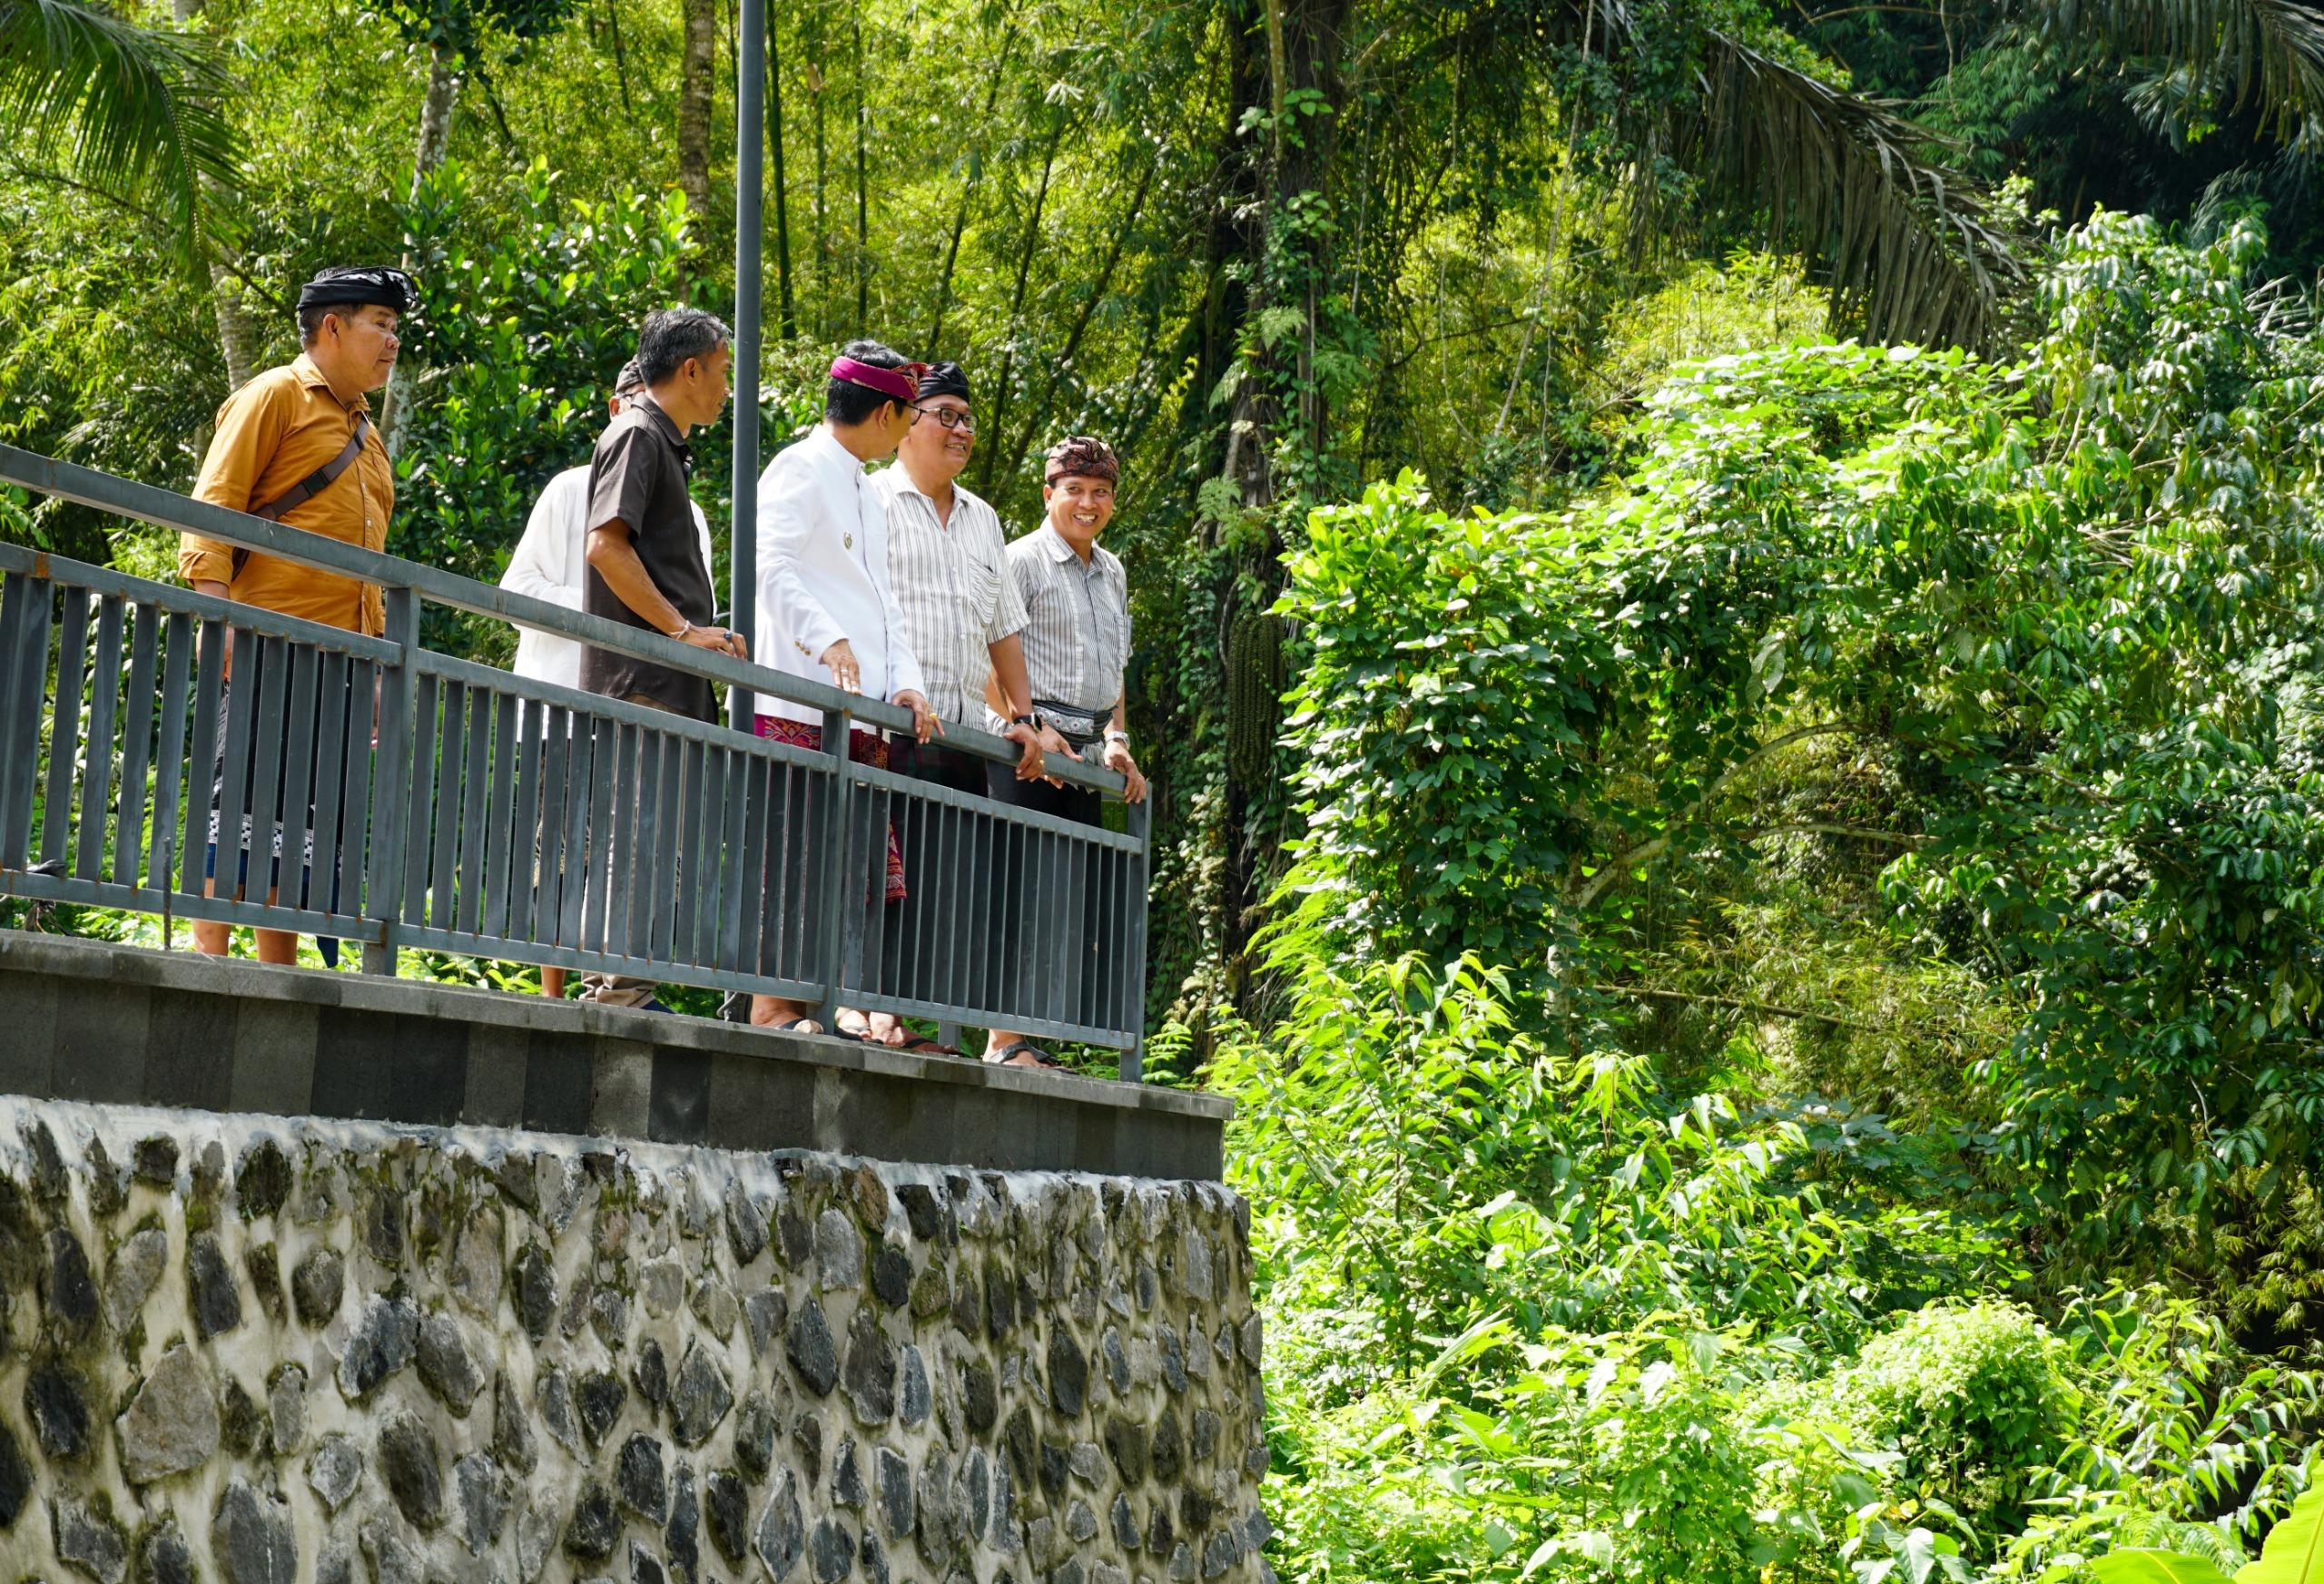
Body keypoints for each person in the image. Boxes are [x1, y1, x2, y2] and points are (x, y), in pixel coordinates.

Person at [179, 264, 418, 968]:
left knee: (296, 827)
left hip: (338, 662)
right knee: (240, 811)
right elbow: (211, 506)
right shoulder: (276, 395)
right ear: (332, 326)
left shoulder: (367, 436)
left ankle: (275, 980)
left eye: (397, 328)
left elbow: (368, 568)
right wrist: (213, 610)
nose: (392, 340)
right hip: (264, 643)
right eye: (380, 323)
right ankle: (205, 965)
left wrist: (373, 662)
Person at [500, 357, 714, 999]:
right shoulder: (571, 487)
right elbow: (519, 588)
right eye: (629, 399)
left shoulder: (689, 506)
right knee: (563, 854)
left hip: (645, 698)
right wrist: (612, 610)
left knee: (640, 850)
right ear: (615, 407)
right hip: (566, 697)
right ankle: (552, 998)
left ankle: (616, 986)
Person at [743, 339, 939, 1038]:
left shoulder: (865, 490)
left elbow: (886, 606)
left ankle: (836, 1005)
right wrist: (825, 636)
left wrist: (909, 685)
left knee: (845, 867)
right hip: (802, 699)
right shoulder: (799, 467)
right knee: (793, 854)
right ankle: (773, 1008)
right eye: (912, 414)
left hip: (863, 714)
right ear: (887, 412)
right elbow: (767, 564)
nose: (913, 426)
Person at [871, 359, 1049, 1051]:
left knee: (942, 883)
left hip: (961, 734)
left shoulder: (983, 519)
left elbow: (1003, 627)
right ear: (904, 420)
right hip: (891, 723)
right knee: (881, 878)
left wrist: (1025, 717)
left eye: (967, 418)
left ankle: (910, 1017)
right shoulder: (871, 500)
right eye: (946, 414)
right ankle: (876, 1014)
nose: (961, 429)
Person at [574, 307, 747, 1009]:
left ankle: (616, 984)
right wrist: (683, 631)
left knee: (647, 835)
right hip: (642, 676)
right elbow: (605, 545)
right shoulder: (638, 432)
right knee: (637, 835)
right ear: (692, 369)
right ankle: (618, 991)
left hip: (661, 679)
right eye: (725, 371)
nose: (728, 387)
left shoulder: (658, 440)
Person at [982, 435, 1148, 1068]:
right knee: (1017, 889)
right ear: (1049, 493)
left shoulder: (1114, 571)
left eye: (1100, 492)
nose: (1088, 502)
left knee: (1066, 897)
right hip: (1028, 745)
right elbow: (986, 652)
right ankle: (1001, 1039)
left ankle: (1028, 1036)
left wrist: (1117, 739)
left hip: (1084, 754)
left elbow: (1117, 669)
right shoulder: (1018, 560)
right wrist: (1026, 723)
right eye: (1074, 490)